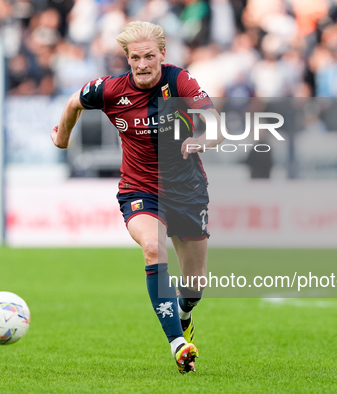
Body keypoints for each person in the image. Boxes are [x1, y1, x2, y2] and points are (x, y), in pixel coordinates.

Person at [51, 21, 223, 373]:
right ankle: (178, 344)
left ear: (162, 54)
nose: (142, 64)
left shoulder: (179, 81)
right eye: (134, 58)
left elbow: (216, 125)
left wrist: (202, 141)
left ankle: (184, 314)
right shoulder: (110, 90)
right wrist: (62, 139)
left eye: (149, 56)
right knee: (152, 248)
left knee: (194, 287)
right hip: (140, 189)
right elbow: (73, 103)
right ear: (126, 59)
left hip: (188, 192)